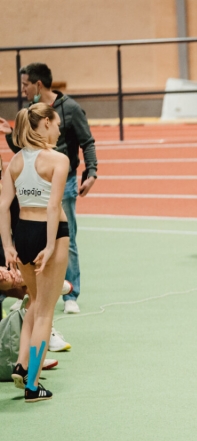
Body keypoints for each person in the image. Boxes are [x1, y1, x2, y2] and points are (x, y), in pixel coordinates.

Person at [0, 62, 98, 315]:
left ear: (38, 84)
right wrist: (11, 135)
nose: (22, 89)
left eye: (25, 84)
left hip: (62, 180)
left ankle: (70, 293)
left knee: (67, 237)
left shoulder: (70, 109)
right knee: (40, 238)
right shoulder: (31, 112)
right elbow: (23, 154)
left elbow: (87, 141)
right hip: (37, 185)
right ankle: (35, 298)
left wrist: (91, 171)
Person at [0, 103, 71, 402]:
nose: (58, 129)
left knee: (34, 301)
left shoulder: (14, 161)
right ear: (43, 123)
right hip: (49, 233)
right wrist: (52, 245)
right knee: (45, 311)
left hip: (23, 232)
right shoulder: (58, 159)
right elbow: (53, 206)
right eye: (55, 124)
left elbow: (3, 206)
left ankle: (22, 364)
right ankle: (32, 385)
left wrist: (7, 245)